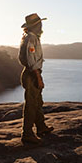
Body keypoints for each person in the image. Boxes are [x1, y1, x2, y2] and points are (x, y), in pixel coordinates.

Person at [18, 13, 53, 144]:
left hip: (33, 73)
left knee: (38, 102)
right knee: (31, 104)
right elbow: (31, 60)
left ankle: (41, 127)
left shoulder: (31, 37)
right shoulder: (31, 39)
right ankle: (27, 133)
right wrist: (38, 77)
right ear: (35, 26)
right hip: (32, 74)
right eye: (39, 24)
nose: (41, 26)